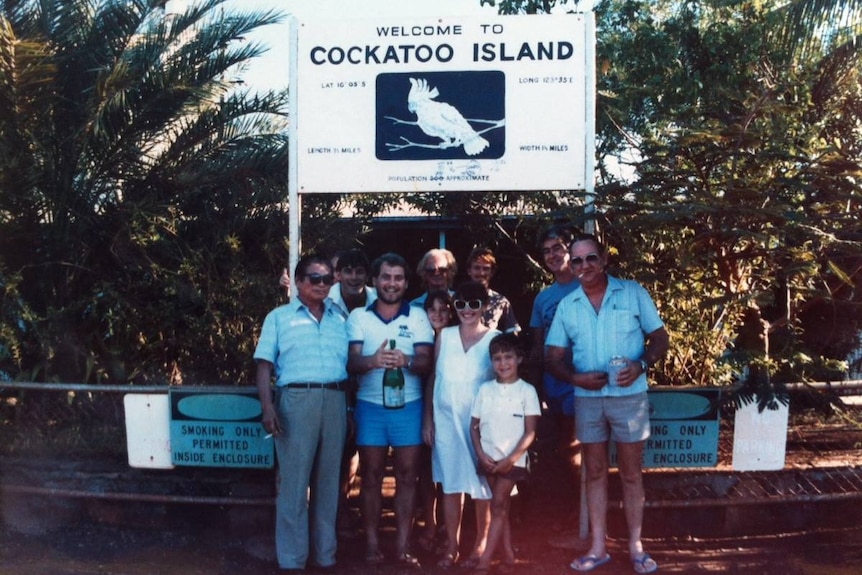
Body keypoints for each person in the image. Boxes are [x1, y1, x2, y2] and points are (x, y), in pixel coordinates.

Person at [545, 233, 669, 574]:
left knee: (631, 474)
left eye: (591, 258)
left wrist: (641, 365)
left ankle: (636, 547)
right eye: (578, 260)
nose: (584, 266)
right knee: (595, 472)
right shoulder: (568, 306)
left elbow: (660, 338)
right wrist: (575, 379)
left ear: (604, 260)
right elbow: (553, 356)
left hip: (630, 397)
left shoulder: (632, 292)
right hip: (587, 399)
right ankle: (598, 547)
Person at [253, 254, 348, 571]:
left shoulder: (340, 318)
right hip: (295, 401)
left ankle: (325, 556)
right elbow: (264, 366)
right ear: (298, 281)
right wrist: (268, 407)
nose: (322, 284)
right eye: (314, 278)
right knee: (294, 485)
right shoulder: (278, 317)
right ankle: (292, 560)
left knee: (328, 484)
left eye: (326, 279)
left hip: (334, 400)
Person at [347, 252, 435, 567]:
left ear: (406, 283)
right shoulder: (359, 317)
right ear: (375, 280)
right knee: (369, 477)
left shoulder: (419, 316)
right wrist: (372, 361)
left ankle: (402, 545)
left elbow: (427, 361)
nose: (392, 283)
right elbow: (351, 362)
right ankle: (371, 543)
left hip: (409, 406)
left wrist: (407, 361)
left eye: (398, 278)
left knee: (407, 477)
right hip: (370, 406)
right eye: (386, 277)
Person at [423, 281, 498, 568]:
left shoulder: (495, 338)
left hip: (481, 426)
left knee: (482, 487)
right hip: (445, 423)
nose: (467, 310)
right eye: (461, 304)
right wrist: (428, 418)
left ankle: (480, 544)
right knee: (451, 486)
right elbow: (434, 378)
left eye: (474, 304)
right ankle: (451, 546)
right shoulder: (445, 335)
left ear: (485, 306)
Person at [470, 332, 541, 574]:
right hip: (488, 459)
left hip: (514, 461)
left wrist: (510, 460)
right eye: (497, 358)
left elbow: (530, 433)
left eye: (508, 357)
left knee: (497, 505)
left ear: (519, 359)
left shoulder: (527, 391)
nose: (503, 363)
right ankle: (508, 555)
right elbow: (474, 426)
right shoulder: (485, 390)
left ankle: (485, 560)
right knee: (502, 507)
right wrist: (480, 454)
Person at [527, 225, 582, 516]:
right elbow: (538, 349)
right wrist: (535, 390)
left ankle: (583, 517)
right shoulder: (543, 298)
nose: (552, 255)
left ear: (570, 249)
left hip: (581, 380)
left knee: (574, 448)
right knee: (561, 449)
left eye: (557, 248)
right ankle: (572, 513)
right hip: (553, 382)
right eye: (546, 251)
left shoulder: (588, 286)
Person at [326, 249, 376, 539]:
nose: (354, 277)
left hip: (369, 384)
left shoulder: (376, 299)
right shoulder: (325, 297)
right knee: (341, 451)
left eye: (359, 271)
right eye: (348, 271)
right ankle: (338, 511)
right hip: (336, 383)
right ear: (338, 274)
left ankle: (357, 510)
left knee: (364, 451)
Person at [416, 290, 458, 554]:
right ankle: (429, 524)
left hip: (445, 410)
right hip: (418, 407)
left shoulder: (454, 337)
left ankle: (446, 525)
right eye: (433, 310)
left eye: (444, 310)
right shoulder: (420, 336)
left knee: (447, 474)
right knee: (424, 472)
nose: (438, 315)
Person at [465, 247, 520, 334]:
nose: (481, 273)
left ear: (492, 272)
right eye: (477, 268)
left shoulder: (500, 301)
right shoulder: (458, 300)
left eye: (486, 269)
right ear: (469, 271)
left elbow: (512, 334)